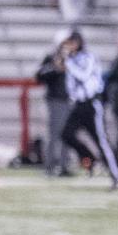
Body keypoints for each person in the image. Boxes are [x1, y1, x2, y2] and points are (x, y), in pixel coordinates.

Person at [57, 31, 118, 186]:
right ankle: (90, 159)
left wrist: (67, 63)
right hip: (79, 105)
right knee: (66, 134)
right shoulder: (71, 60)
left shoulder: (88, 57)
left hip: (92, 105)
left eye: (71, 42)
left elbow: (83, 75)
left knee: (101, 141)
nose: (69, 46)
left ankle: (117, 173)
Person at [37, 34, 73, 177]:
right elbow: (39, 75)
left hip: (70, 100)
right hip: (56, 101)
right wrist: (55, 68)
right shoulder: (51, 59)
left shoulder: (73, 59)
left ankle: (64, 165)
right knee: (54, 134)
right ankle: (50, 166)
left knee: (68, 135)